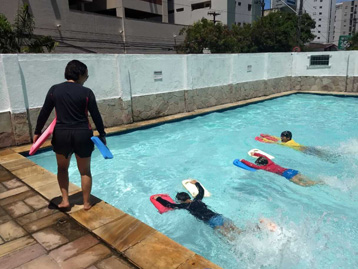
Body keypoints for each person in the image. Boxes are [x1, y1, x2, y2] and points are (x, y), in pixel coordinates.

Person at [34, 60, 106, 210]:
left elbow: (44, 112)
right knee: (85, 171)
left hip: (61, 134)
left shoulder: (55, 90)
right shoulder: (86, 92)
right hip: (82, 134)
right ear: (79, 74)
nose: (87, 77)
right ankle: (86, 203)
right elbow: (96, 115)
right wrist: (102, 134)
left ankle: (65, 201)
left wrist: (37, 132)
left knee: (62, 168)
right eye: (86, 74)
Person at [154, 180, 277, 237]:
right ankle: (260, 227)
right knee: (240, 232)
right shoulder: (197, 199)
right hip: (220, 216)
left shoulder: (185, 206)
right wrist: (195, 183)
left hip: (212, 222)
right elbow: (201, 190)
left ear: (181, 200)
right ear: (188, 196)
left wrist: (158, 198)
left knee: (231, 240)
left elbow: (169, 205)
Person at [240, 153, 320, 187]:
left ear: (262, 164)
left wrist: (242, 160)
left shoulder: (264, 167)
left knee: (302, 184)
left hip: (287, 174)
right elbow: (264, 155)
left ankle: (315, 183)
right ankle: (320, 181)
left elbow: (251, 165)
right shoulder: (270, 161)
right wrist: (255, 154)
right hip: (291, 170)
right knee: (306, 179)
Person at [260, 131, 337, 162]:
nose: (281, 138)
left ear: (288, 138)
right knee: (321, 153)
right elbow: (277, 139)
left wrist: (265, 140)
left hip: (305, 150)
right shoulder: (288, 141)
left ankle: (331, 159)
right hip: (307, 147)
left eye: (283, 137)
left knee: (321, 156)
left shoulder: (287, 143)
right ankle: (333, 156)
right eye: (281, 136)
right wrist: (269, 136)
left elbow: (276, 143)